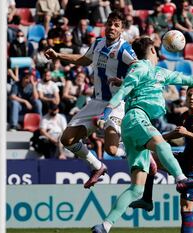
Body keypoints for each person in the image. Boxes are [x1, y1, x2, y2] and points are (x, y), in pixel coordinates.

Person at [91, 37, 193, 233]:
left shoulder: (155, 73)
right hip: (137, 118)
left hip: (134, 128)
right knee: (162, 144)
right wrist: (106, 113)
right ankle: (181, 178)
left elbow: (190, 80)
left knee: (136, 188)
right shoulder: (141, 67)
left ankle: (105, 225)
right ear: (153, 51)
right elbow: (121, 94)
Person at [44, 11, 137, 189]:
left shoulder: (125, 49)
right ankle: (97, 166)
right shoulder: (97, 43)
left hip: (116, 104)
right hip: (96, 102)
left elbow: (137, 68)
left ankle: (137, 150)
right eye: (110, 23)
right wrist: (58, 56)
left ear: (121, 29)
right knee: (67, 139)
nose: (112, 27)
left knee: (111, 149)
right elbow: (84, 60)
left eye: (116, 25)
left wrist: (123, 81)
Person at [129, 86, 193, 233]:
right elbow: (177, 133)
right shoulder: (185, 117)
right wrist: (159, 139)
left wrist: (187, 133)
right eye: (189, 95)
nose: (191, 98)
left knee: (186, 208)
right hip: (184, 159)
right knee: (151, 158)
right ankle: (147, 199)